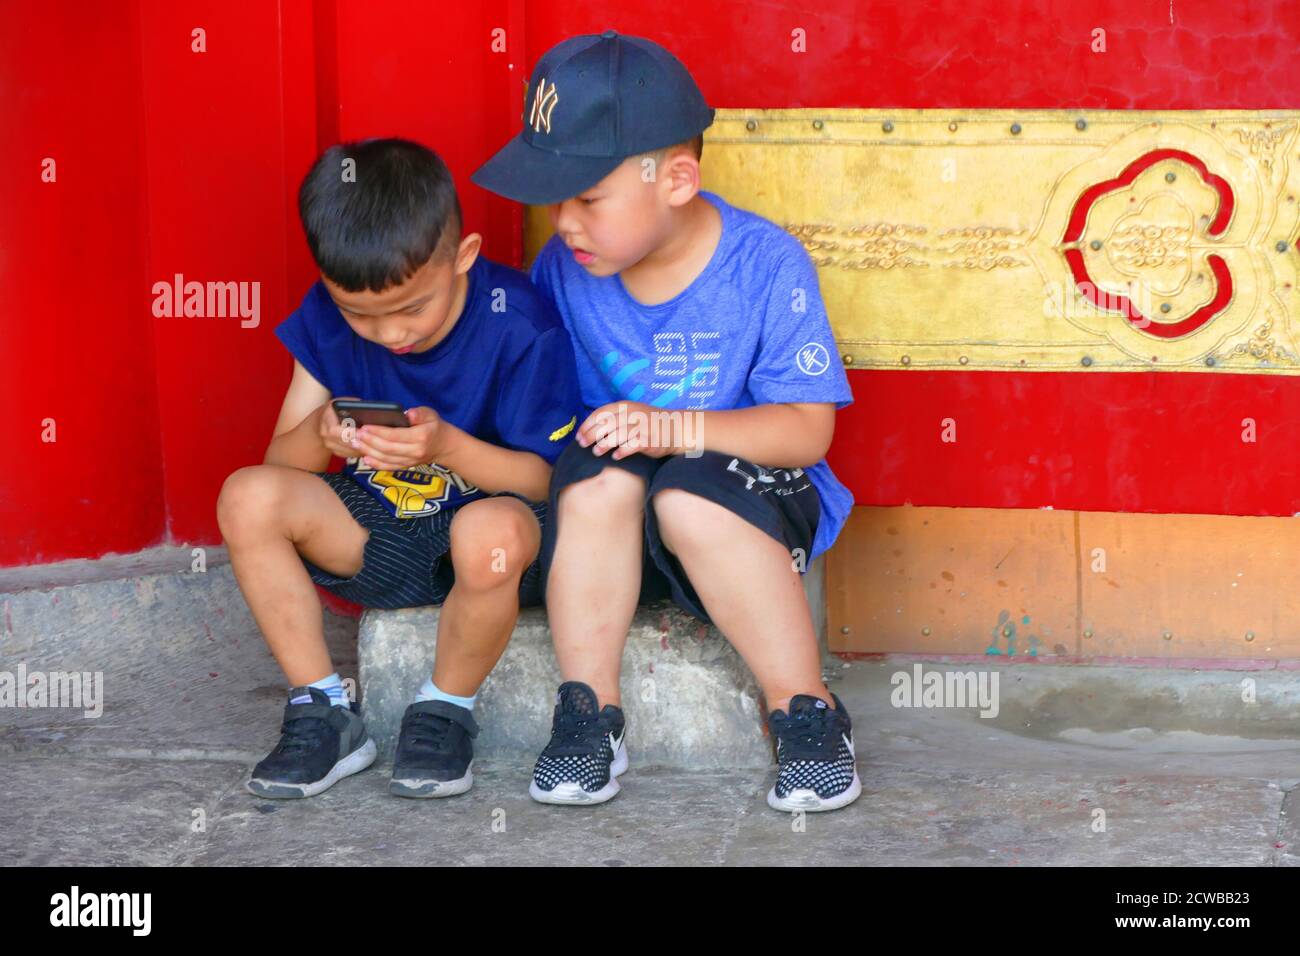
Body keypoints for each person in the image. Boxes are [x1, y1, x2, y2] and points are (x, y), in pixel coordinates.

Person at [472, 32, 861, 812]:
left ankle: (806, 712)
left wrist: (676, 429)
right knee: (591, 483)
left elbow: (806, 431)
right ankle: (588, 716)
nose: (565, 222)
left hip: (744, 510)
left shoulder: (764, 265)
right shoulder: (564, 269)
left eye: (587, 199)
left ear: (676, 178)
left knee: (687, 493)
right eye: (555, 200)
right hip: (615, 533)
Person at [217, 138, 582, 800]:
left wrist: (449, 449)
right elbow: (280, 470)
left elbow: (551, 484)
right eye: (361, 314)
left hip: (496, 546)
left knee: (488, 532)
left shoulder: (519, 322)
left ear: (464, 257)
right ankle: (323, 708)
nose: (389, 334)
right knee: (245, 496)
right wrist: (324, 427)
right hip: (381, 533)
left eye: (412, 308)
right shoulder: (328, 321)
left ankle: (446, 708)